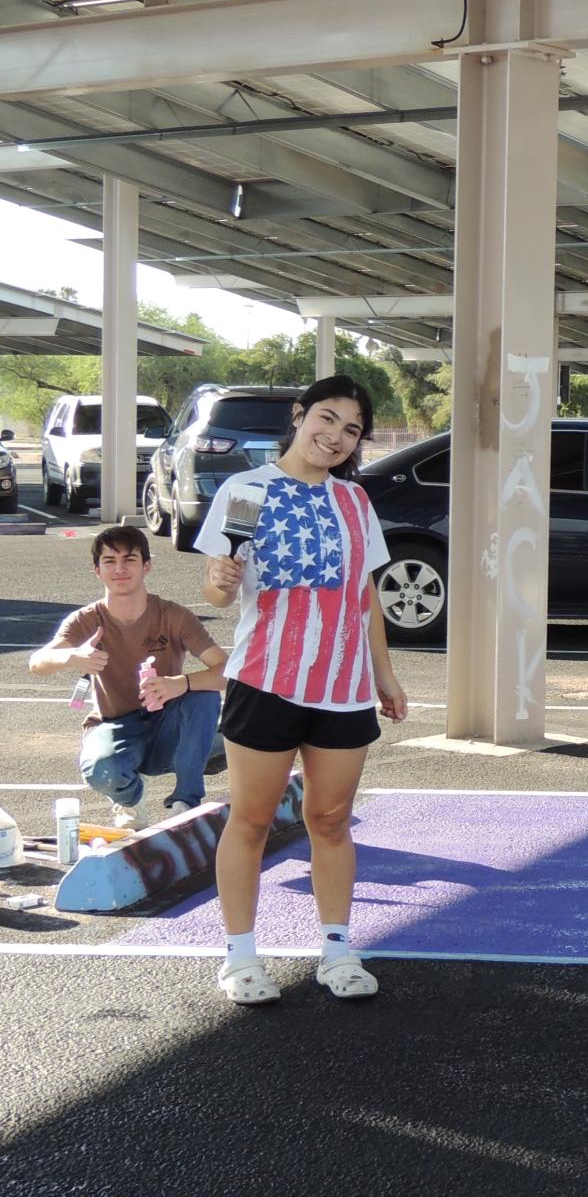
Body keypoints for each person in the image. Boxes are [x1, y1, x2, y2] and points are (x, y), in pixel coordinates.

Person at [197, 375, 408, 1006]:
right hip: (265, 682)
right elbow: (219, 590)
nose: (336, 436)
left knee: (331, 818)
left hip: (343, 689)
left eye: (351, 429)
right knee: (254, 819)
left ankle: (338, 950)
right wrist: (218, 576)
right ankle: (239, 958)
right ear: (299, 415)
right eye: (327, 418)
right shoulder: (244, 490)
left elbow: (365, 597)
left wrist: (385, 675)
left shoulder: (356, 504)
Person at [27, 524, 226, 827]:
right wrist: (72, 656)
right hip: (115, 725)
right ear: (97, 570)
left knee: (207, 699)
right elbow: (37, 662)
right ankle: (130, 802)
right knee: (101, 769)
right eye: (110, 561)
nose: (119, 569)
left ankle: (185, 803)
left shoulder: (173, 615)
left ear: (146, 566)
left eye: (129, 560)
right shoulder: (86, 620)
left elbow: (227, 671)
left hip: (167, 725)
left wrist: (179, 683)